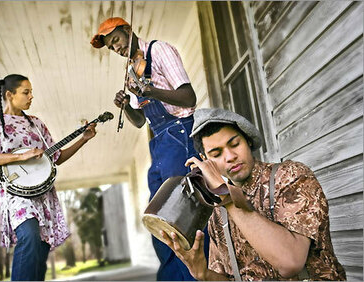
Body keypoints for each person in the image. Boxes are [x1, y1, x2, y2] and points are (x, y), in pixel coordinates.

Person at [161, 107, 346, 280]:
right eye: (216, 154)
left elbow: (291, 262)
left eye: (234, 144)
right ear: (205, 161)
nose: (230, 157)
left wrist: (227, 197)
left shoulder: (290, 176)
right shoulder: (218, 214)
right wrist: (204, 274)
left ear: (247, 140)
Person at [91, 17, 209, 281]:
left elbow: (188, 97)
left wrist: (152, 91)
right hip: (158, 142)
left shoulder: (160, 50)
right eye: (111, 47)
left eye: (117, 40)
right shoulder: (132, 71)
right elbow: (140, 120)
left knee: (183, 214)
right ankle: (173, 277)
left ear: (129, 30)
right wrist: (127, 107)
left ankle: (200, 274)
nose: (117, 48)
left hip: (180, 133)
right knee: (157, 217)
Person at [0, 74, 97, 281]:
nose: (31, 96)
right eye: (26, 92)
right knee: (29, 235)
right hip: (15, 194)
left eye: (31, 92)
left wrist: (83, 139)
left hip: (43, 194)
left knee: (40, 250)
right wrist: (21, 156)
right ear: (9, 95)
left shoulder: (37, 124)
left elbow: (56, 157)